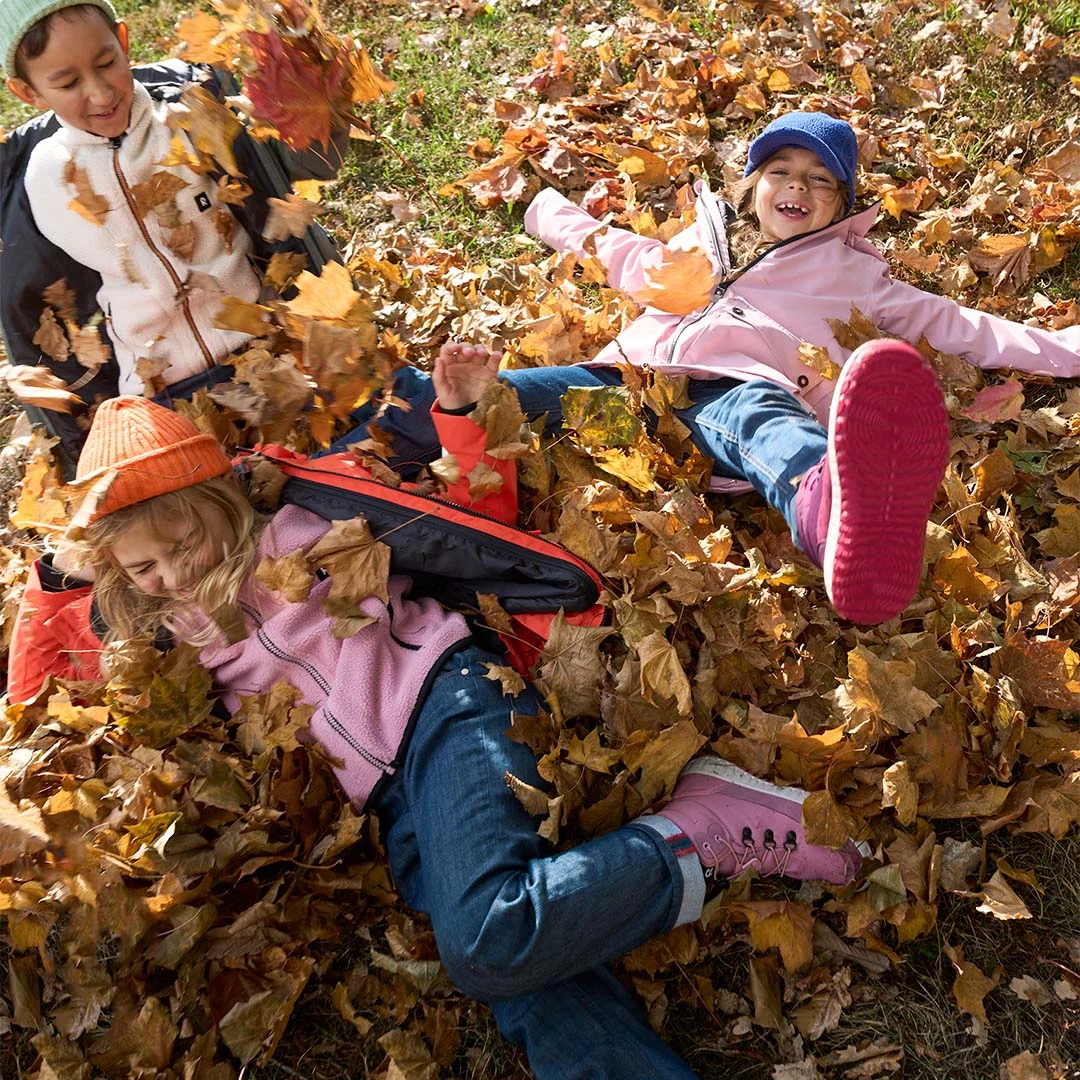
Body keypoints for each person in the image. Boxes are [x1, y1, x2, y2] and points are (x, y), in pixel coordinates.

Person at [8, 351, 867, 1078]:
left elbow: (467, 521)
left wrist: (458, 418)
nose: (168, 574)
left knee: (489, 939)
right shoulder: (160, 625)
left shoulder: (305, 519)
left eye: (182, 546)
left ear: (223, 508)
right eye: (143, 566)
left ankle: (697, 832)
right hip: (381, 803)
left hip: (447, 703)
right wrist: (53, 576)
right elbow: (39, 692)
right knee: (516, 973)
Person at [333, 111, 1080, 626]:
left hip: (739, 394)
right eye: (781, 170)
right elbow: (621, 252)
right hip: (626, 383)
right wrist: (545, 211)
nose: (797, 186)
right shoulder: (703, 242)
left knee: (770, 430)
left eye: (820, 180)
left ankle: (833, 513)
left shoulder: (856, 277)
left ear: (844, 204)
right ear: (750, 186)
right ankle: (380, 436)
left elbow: (958, 325)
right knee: (511, 398)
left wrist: (1066, 349)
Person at [0, 0, 346, 467]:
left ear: (123, 43)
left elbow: (315, 163)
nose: (101, 94)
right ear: (28, 91)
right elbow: (37, 309)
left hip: (268, 349)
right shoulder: (40, 183)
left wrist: (310, 87)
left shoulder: (191, 112)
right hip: (160, 397)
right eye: (68, 83)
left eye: (107, 64)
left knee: (337, 465)